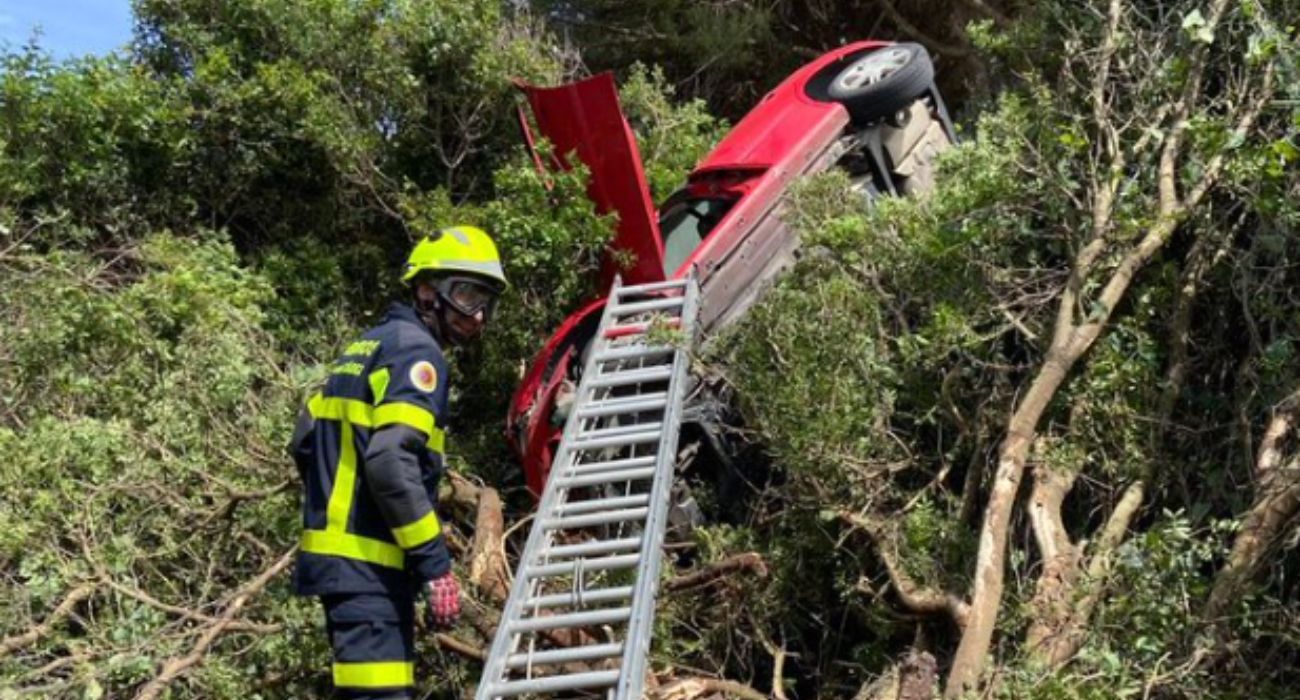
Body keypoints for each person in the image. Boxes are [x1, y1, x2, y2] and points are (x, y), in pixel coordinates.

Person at [289, 226, 507, 699]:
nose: (479, 315)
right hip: (368, 571)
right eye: (467, 295)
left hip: (351, 571)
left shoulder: (366, 348)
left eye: (487, 301)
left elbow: (307, 439)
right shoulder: (417, 352)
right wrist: (433, 565)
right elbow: (389, 461)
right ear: (427, 289)